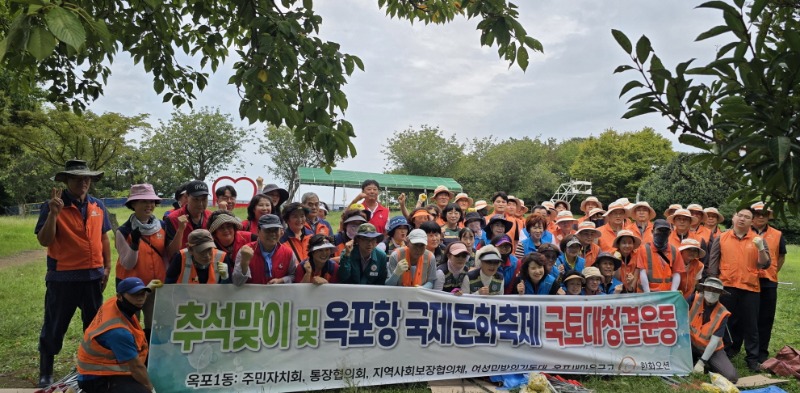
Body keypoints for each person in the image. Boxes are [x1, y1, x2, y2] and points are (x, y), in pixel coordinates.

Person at [34, 160, 112, 387]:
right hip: (63, 277)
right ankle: (46, 371)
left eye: (86, 178)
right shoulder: (53, 206)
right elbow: (44, 240)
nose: (83, 182)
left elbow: (103, 237)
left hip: (93, 278)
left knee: (95, 326)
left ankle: (94, 366)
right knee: (55, 325)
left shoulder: (98, 205)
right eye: (78, 178)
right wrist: (54, 215)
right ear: (66, 181)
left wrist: (107, 267)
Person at [706, 207, 770, 371]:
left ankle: (752, 359)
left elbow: (765, 263)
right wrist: (713, 285)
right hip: (726, 287)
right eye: (739, 215)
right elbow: (713, 264)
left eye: (747, 217)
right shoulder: (722, 238)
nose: (742, 219)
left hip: (750, 288)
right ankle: (723, 353)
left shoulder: (758, 239)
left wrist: (761, 248)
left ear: (752, 221)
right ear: (733, 218)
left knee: (751, 325)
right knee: (725, 322)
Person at [76, 277, 160, 393]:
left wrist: (149, 287)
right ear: (120, 296)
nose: (140, 298)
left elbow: (137, 297)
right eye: (135, 295)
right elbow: (136, 367)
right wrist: (151, 388)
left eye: (143, 293)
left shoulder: (114, 303)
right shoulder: (118, 332)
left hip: (111, 366)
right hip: (96, 377)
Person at [114, 184, 166, 342]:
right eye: (143, 201)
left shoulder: (161, 227)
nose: (149, 205)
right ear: (133, 204)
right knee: (131, 324)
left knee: (153, 324)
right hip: (132, 288)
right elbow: (127, 264)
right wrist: (135, 245)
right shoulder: (123, 231)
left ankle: (150, 357)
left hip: (155, 286)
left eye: (151, 201)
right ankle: (134, 357)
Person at [751, 202, 787, 362]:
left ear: (768, 217)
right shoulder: (745, 231)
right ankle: (739, 348)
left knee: (765, 318)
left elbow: (781, 256)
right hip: (749, 280)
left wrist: (772, 271)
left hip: (768, 281)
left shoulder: (777, 234)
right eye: (757, 213)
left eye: (763, 214)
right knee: (746, 316)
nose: (760, 216)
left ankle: (761, 352)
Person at [688, 278, 738, 383]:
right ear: (704, 289)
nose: (712, 292)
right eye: (709, 289)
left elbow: (714, 342)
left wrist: (701, 362)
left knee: (731, 377)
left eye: (716, 290)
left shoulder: (723, 313)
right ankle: (696, 361)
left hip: (712, 349)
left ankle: (703, 361)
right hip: (690, 345)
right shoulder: (694, 299)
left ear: (720, 293)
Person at [233, 214, 298, 285]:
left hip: (279, 295)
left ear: (281, 232)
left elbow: (295, 276)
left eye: (275, 230)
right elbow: (237, 282)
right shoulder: (246, 251)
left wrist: (281, 280)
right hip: (251, 295)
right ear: (258, 231)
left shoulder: (288, 253)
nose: (272, 234)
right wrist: (244, 262)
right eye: (268, 230)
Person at [165, 180, 213, 258]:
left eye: (204, 199)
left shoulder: (211, 217)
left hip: (207, 263)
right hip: (182, 266)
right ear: (187, 197)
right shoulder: (172, 219)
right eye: (196, 199)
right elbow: (171, 254)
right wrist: (180, 230)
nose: (200, 204)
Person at [207, 210, 257, 280]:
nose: (226, 230)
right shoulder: (210, 246)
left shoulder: (250, 237)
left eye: (229, 226)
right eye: (221, 227)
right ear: (215, 232)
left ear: (234, 228)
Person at [638, 219, 685, 293]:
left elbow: (677, 272)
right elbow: (642, 272)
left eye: (665, 231)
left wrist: (673, 292)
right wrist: (647, 292)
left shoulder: (675, 251)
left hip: (667, 294)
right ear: (652, 232)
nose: (662, 233)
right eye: (659, 230)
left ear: (669, 233)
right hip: (648, 293)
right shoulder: (643, 249)